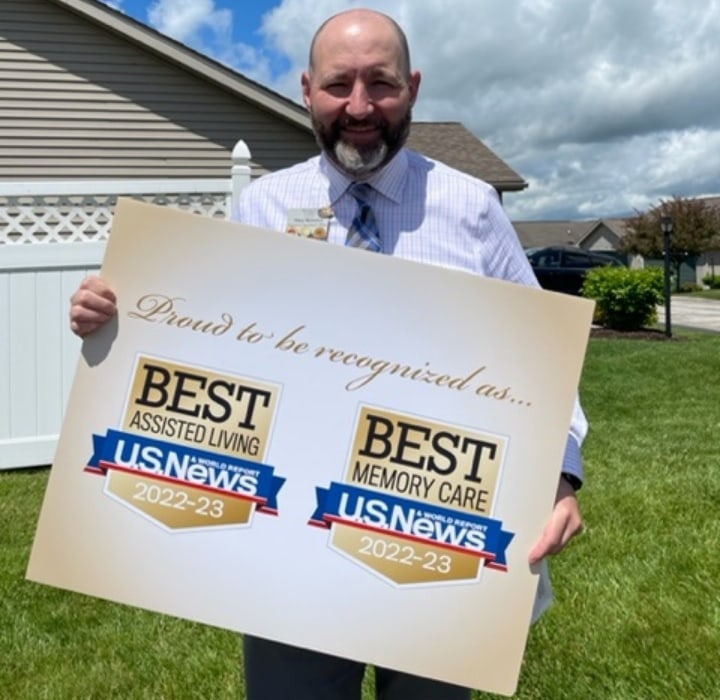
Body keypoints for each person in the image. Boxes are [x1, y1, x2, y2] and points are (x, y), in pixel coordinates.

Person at [70, 8, 586, 700]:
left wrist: (561, 474)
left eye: (382, 83)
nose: (361, 106)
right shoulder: (262, 206)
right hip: (292, 550)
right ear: (308, 89)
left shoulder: (472, 208)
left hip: (436, 536)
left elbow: (540, 355)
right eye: (340, 84)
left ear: (415, 88)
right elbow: (204, 342)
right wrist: (116, 318)